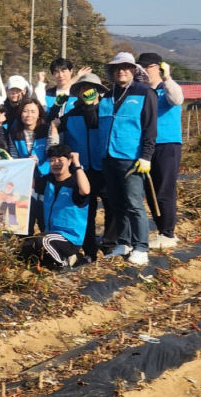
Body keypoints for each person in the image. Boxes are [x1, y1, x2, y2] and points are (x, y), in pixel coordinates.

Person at [99, 52, 157, 266]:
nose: (121, 70)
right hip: (108, 156)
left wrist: (146, 156)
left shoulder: (145, 93)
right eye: (117, 67)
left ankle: (141, 246)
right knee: (116, 203)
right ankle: (123, 242)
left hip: (131, 157)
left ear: (133, 70)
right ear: (112, 71)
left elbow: (150, 128)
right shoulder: (106, 96)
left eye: (126, 67)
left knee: (134, 203)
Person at [56, 73, 110, 262]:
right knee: (87, 211)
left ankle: (110, 245)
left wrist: (90, 107)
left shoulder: (106, 109)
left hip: (104, 167)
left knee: (111, 207)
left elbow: (94, 122)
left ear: (98, 91)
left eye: (90, 88)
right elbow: (53, 126)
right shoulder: (71, 115)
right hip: (81, 171)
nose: (86, 91)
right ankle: (89, 251)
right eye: (82, 88)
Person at [137, 52, 184, 250]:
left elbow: (178, 99)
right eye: (141, 69)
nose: (144, 73)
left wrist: (167, 78)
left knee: (164, 188)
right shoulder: (142, 92)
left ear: (159, 67)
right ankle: (161, 229)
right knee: (151, 190)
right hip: (147, 145)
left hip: (167, 144)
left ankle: (168, 233)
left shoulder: (167, 88)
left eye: (148, 68)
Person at [20, 144, 90, 268]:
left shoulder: (75, 182)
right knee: (27, 246)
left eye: (60, 160)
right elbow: (30, 186)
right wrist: (31, 166)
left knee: (43, 240)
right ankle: (69, 259)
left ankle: (63, 265)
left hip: (69, 238)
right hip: (51, 234)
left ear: (69, 161)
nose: (56, 163)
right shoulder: (49, 181)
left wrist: (77, 164)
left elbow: (85, 191)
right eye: (52, 160)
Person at [8, 97, 57, 235]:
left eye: (33, 111)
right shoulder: (14, 132)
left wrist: (40, 166)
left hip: (45, 178)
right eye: (25, 111)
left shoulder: (46, 129)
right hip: (25, 180)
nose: (29, 115)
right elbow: (14, 156)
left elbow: (53, 153)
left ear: (39, 114)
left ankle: (46, 245)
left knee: (43, 214)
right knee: (25, 216)